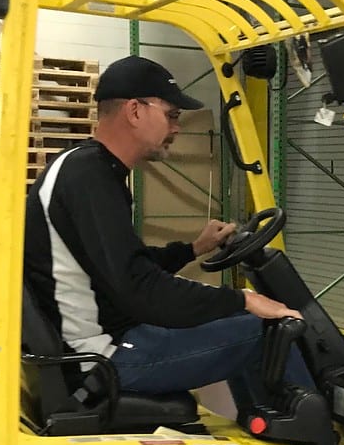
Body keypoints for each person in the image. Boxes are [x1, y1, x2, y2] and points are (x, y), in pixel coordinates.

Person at [23, 55, 304, 410]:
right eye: (171, 115)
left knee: (240, 317)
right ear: (136, 111)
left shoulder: (87, 168)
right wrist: (245, 299)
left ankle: (266, 426)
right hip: (102, 358)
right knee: (276, 331)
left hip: (104, 340)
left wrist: (193, 249)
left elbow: (125, 264)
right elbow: (141, 289)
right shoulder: (90, 178)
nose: (177, 128)